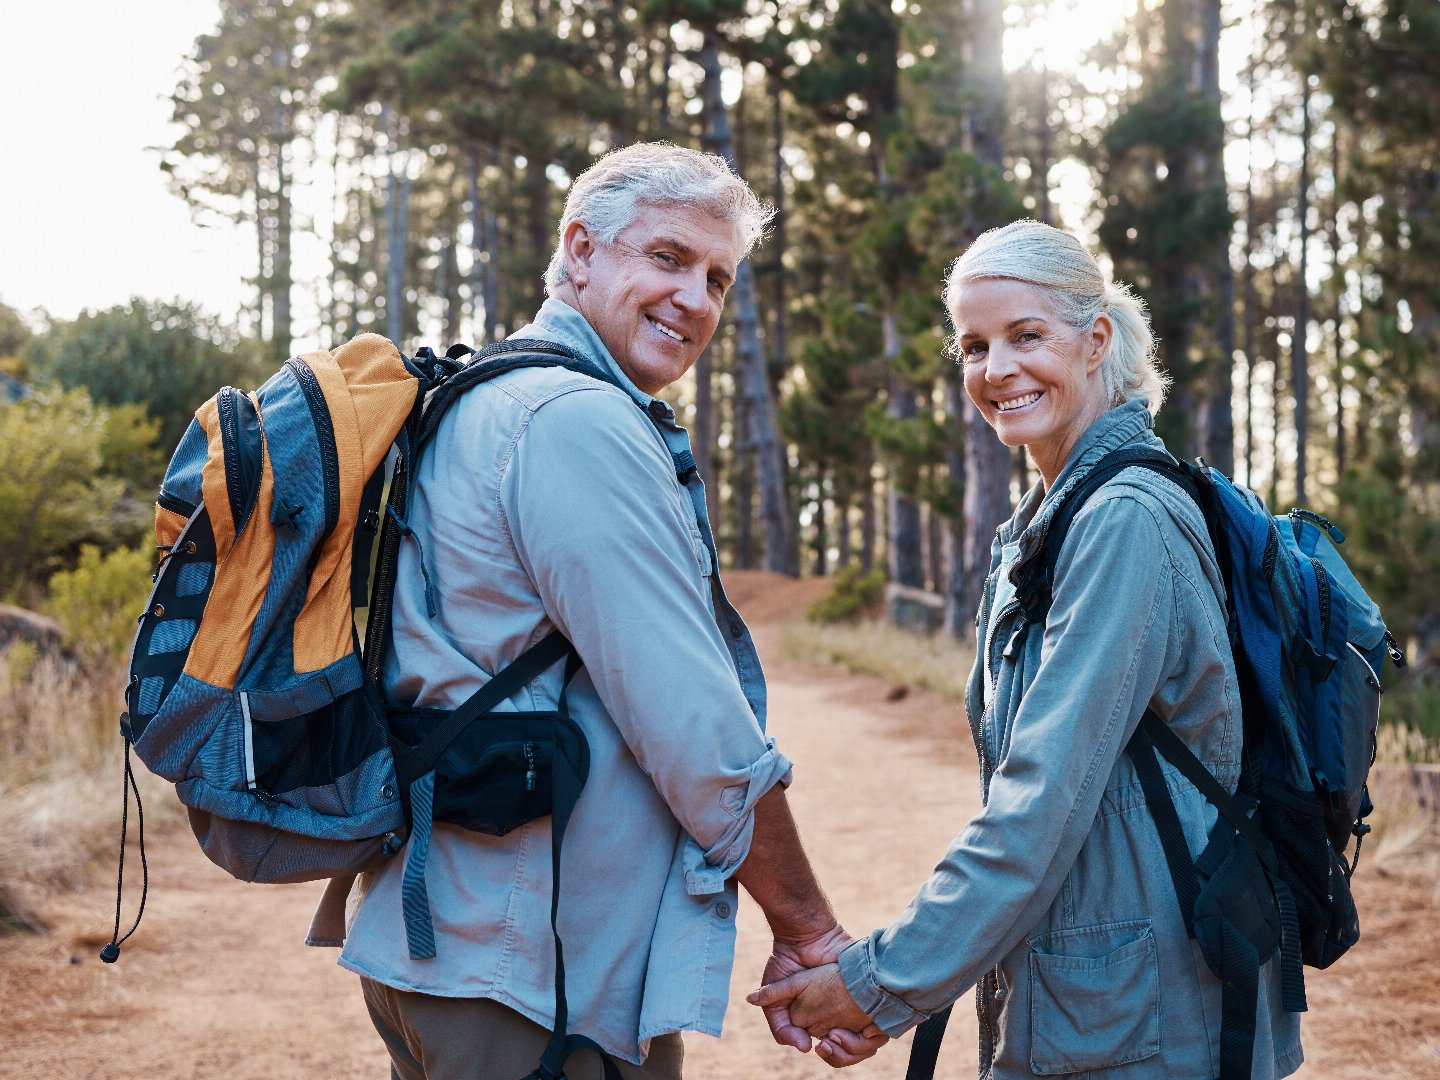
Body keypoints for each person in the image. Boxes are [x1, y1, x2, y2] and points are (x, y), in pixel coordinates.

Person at [334, 142, 886, 1079]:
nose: (697, 301)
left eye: (717, 278)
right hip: (532, 978)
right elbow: (696, 728)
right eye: (668, 258)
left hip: (450, 945)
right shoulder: (571, 422)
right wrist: (810, 929)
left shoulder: (482, 396)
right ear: (580, 251)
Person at [750, 220, 1304, 1078]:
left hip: (1151, 1019)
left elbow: (1041, 803)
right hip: (1093, 1001)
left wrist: (878, 983)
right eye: (974, 345)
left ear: (1097, 342)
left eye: (1026, 335)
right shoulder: (1048, 524)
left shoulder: (1125, 520)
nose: (996, 369)